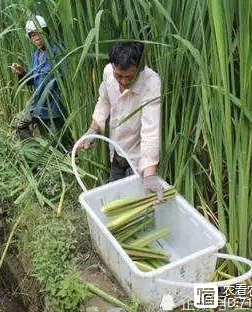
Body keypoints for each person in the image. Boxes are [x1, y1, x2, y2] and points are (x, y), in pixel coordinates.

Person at [78, 41, 165, 202]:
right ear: (112, 66)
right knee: (115, 197)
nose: (123, 82)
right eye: (119, 76)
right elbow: (104, 101)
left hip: (139, 158)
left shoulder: (151, 82)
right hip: (116, 149)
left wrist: (150, 174)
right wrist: (93, 129)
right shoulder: (108, 73)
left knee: (138, 204)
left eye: (129, 77)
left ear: (139, 68)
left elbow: (150, 130)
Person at [11, 15, 66, 141]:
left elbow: (62, 78)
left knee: (55, 143)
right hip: (39, 106)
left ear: (45, 32)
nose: (35, 37)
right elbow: (34, 81)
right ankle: (32, 152)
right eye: (31, 35)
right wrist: (22, 73)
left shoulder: (57, 50)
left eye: (37, 33)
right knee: (19, 124)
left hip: (54, 107)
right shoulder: (37, 54)